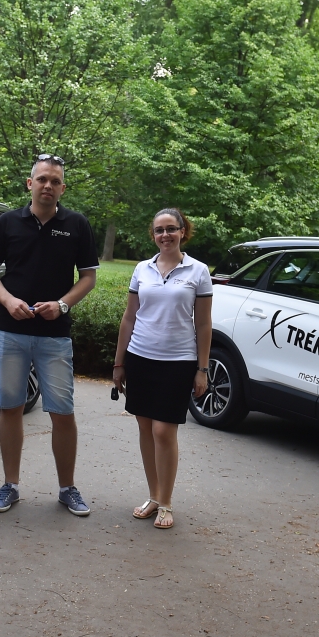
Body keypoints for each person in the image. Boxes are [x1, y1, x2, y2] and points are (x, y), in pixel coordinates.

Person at [0, 155, 99, 516]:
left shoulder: (76, 224)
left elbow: (89, 278)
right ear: (30, 184)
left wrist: (61, 305)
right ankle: (10, 485)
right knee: (10, 407)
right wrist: (7, 300)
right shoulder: (7, 222)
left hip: (54, 336)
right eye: (42, 179)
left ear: (63, 188)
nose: (48, 185)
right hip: (9, 331)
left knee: (62, 412)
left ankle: (67, 488)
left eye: (55, 181)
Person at [112, 208, 212, 530]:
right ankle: (154, 496)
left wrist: (202, 369)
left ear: (183, 231)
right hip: (140, 358)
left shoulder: (198, 271)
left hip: (178, 362)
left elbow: (204, 323)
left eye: (171, 229)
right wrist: (119, 363)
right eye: (159, 230)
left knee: (163, 431)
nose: (165, 235)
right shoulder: (142, 269)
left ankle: (166, 502)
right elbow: (129, 317)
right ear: (153, 235)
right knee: (145, 428)